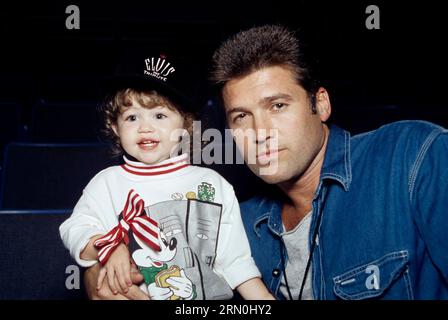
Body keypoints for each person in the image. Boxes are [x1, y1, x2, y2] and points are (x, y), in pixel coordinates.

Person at [209, 24, 448, 300]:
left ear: (320, 104)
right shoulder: (238, 221)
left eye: (277, 106)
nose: (259, 132)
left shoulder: (411, 156)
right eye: (241, 117)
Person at [59, 51, 274, 300]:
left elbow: (236, 261)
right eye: (131, 117)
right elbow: (74, 229)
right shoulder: (106, 182)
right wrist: (109, 246)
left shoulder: (214, 184)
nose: (145, 127)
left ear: (185, 124)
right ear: (116, 127)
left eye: (159, 115)